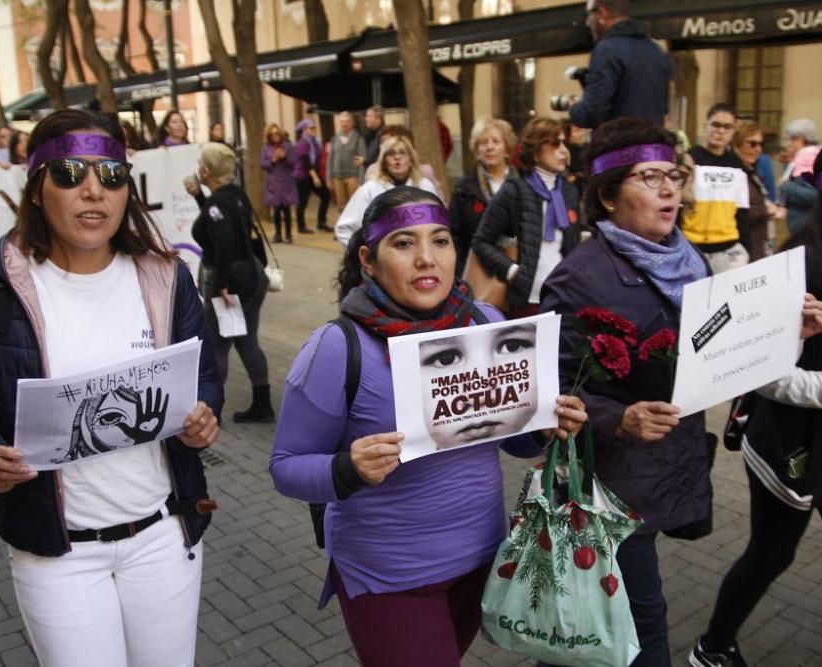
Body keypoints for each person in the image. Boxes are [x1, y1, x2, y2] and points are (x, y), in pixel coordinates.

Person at [0, 108, 222, 665]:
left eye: (111, 175)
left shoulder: (166, 276)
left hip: (161, 537)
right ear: (37, 188)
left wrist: (205, 415)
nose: (93, 191)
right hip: (59, 555)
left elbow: (201, 375)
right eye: (69, 173)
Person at [269, 186, 588, 666]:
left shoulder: (486, 322)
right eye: (403, 243)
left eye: (440, 241)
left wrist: (547, 426)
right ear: (368, 259)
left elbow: (516, 442)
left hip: (482, 560)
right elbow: (285, 467)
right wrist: (347, 468)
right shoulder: (336, 348)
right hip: (388, 577)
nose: (426, 259)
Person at [689, 134, 822, 667]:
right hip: (789, 440)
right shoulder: (794, 264)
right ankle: (712, 649)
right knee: (771, 554)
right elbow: (769, 379)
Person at [540, 118, 714, 666]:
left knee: (599, 614)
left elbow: (723, 348)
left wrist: (784, 331)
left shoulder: (691, 261)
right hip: (610, 482)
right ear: (609, 196)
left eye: (674, 175)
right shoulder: (579, 277)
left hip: (671, 462)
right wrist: (619, 418)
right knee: (644, 627)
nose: (669, 189)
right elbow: (549, 386)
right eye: (649, 177)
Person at [188, 142, 275, 423]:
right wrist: (200, 198)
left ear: (206, 170)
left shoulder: (217, 203)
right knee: (246, 340)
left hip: (231, 282)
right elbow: (221, 226)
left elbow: (223, 240)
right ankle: (262, 404)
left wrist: (222, 284)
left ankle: (211, 411)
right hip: (252, 275)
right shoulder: (235, 194)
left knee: (217, 345)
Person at [471, 117, 582, 318]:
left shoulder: (569, 191)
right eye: (555, 143)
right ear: (536, 151)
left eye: (565, 143)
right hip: (527, 302)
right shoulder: (514, 190)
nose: (564, 151)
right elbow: (481, 242)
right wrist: (513, 272)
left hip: (563, 297)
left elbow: (571, 246)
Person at [419, 321, 539, 450]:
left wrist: (541, 433)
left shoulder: (484, 316)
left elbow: (516, 445)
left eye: (511, 347)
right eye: (446, 359)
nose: (480, 398)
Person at [567, 0, 672, 128]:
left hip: (620, 143)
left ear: (602, 13)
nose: (588, 22)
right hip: (654, 144)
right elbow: (663, 108)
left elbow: (592, 113)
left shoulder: (607, 50)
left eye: (589, 15)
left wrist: (573, 107)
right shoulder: (656, 50)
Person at [680, 103, 751, 273]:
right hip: (691, 247)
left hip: (729, 249)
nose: (721, 131)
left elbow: (742, 211)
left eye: (727, 127)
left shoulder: (737, 166)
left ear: (733, 132)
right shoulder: (689, 159)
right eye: (716, 125)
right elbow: (677, 204)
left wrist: (747, 248)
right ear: (706, 126)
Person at [334, 134, 439, 248]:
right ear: (384, 161)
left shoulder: (425, 187)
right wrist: (366, 257)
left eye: (402, 152)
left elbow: (438, 227)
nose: (397, 157)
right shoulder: (370, 189)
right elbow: (344, 229)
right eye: (391, 153)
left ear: (411, 160)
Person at [448, 117, 518, 273]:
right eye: (483, 142)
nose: (489, 147)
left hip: (518, 270)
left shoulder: (524, 186)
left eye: (496, 141)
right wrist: (460, 273)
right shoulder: (464, 190)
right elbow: (454, 236)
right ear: (477, 149)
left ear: (507, 148)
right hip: (476, 271)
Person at [731, 120, 776, 261]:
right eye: (752, 144)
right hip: (743, 250)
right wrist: (766, 210)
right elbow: (733, 211)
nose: (758, 149)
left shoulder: (751, 171)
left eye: (760, 144)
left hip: (760, 244)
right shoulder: (732, 173)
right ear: (736, 146)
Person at [261, 123, 300, 243]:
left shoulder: (287, 146)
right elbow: (262, 164)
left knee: (286, 209)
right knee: (276, 209)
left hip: (286, 181)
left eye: (276, 133)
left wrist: (284, 157)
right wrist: (273, 160)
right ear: (269, 135)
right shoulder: (266, 147)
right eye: (272, 134)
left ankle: (288, 234)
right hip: (273, 183)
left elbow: (294, 161)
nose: (275, 136)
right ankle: (278, 234)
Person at [294, 118, 332, 233]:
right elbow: (306, 162)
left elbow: (318, 159)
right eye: (311, 128)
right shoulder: (302, 143)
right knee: (303, 201)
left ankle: (321, 222)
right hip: (303, 175)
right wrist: (315, 177)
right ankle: (301, 226)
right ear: (304, 130)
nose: (314, 130)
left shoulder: (315, 142)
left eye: (314, 127)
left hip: (313, 173)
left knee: (325, 195)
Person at [327, 111, 366, 208]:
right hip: (337, 178)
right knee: (341, 206)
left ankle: (356, 224)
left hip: (353, 177)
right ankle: (343, 223)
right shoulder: (335, 138)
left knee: (355, 205)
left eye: (347, 121)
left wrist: (360, 181)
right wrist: (329, 177)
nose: (344, 124)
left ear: (352, 123)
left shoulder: (358, 139)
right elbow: (330, 159)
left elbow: (362, 161)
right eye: (342, 121)